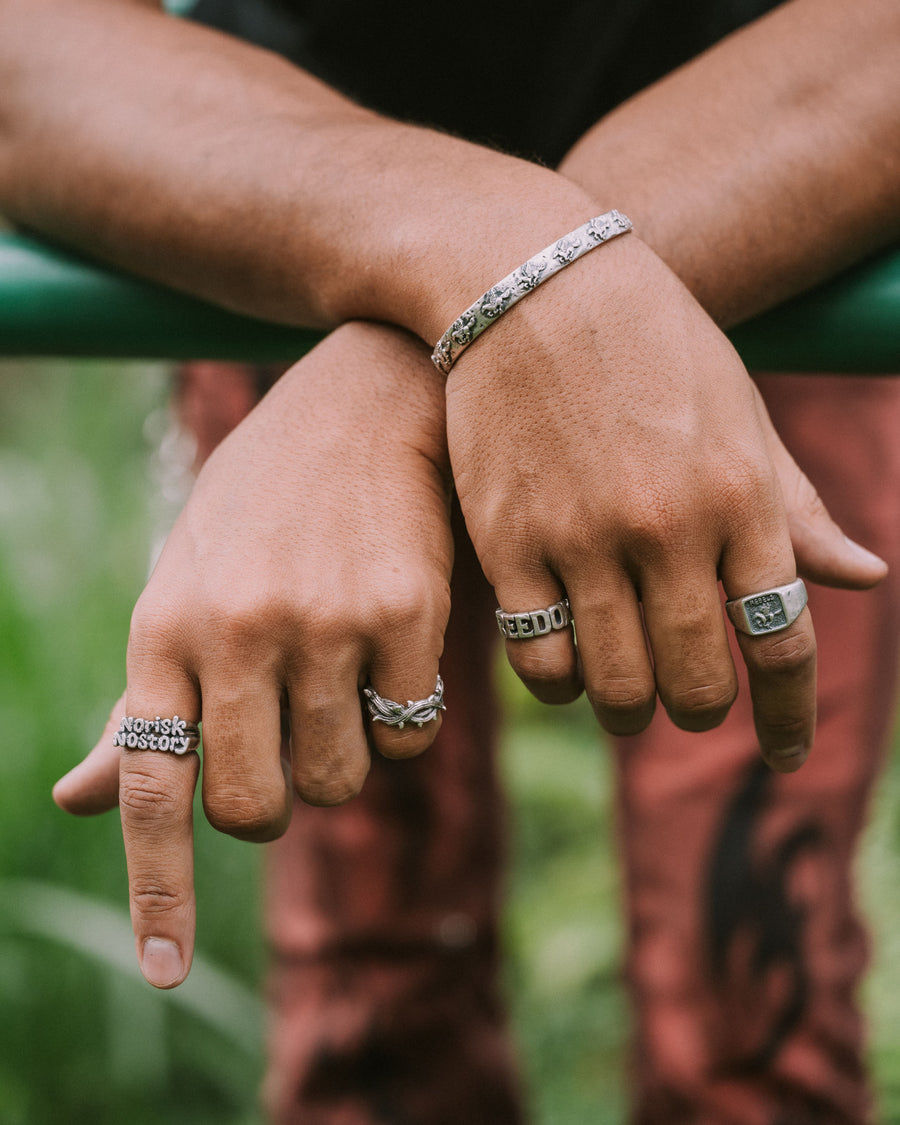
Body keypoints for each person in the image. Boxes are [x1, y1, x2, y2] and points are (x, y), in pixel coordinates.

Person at [1, 0, 899, 1119]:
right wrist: (485, 255)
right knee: (373, 1007)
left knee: (755, 1002)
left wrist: (387, 380)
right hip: (275, 211)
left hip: (782, 218)